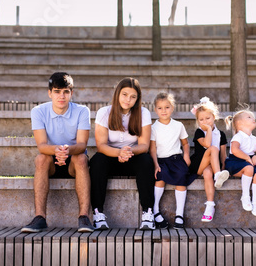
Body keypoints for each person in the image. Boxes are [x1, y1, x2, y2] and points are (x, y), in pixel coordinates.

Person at [21, 72, 95, 233]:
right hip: (51, 160)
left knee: (82, 158)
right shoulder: (38, 111)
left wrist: (67, 151)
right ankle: (40, 217)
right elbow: (41, 145)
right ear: (49, 93)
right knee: (41, 159)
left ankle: (84, 217)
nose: (61, 96)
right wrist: (56, 150)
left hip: (74, 161)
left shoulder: (82, 111)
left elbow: (82, 145)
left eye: (66, 92)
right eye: (57, 91)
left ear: (71, 93)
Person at [89, 77, 155, 230]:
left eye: (133, 96)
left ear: (137, 99)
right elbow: (101, 146)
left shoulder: (143, 113)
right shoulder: (104, 112)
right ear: (117, 93)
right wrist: (119, 152)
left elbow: (144, 145)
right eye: (125, 94)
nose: (128, 100)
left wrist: (128, 151)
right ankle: (98, 213)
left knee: (146, 160)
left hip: (133, 157)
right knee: (97, 160)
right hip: (110, 158)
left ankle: (148, 213)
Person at [150, 92, 195, 229]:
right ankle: (155, 210)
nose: (164, 111)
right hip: (161, 160)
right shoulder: (153, 127)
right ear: (155, 109)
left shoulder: (178, 125)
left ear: (173, 107)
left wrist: (186, 155)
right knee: (160, 177)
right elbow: (152, 149)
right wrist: (155, 164)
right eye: (160, 108)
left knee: (182, 177)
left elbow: (185, 143)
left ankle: (179, 215)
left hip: (176, 159)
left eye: (167, 107)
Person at [189, 97, 230, 223]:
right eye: (201, 119)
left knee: (208, 173)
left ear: (214, 117)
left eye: (208, 118)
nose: (205, 121)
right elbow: (207, 145)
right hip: (198, 164)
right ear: (198, 121)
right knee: (212, 148)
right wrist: (208, 130)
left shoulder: (221, 134)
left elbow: (223, 155)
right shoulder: (199, 132)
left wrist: (224, 167)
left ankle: (210, 206)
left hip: (212, 166)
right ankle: (217, 176)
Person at [224, 108, 256, 217]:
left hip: (251, 162)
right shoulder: (238, 137)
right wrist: (247, 157)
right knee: (249, 168)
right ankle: (245, 196)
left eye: (253, 117)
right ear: (239, 123)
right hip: (236, 161)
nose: (253, 119)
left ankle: (255, 203)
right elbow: (235, 150)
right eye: (249, 117)